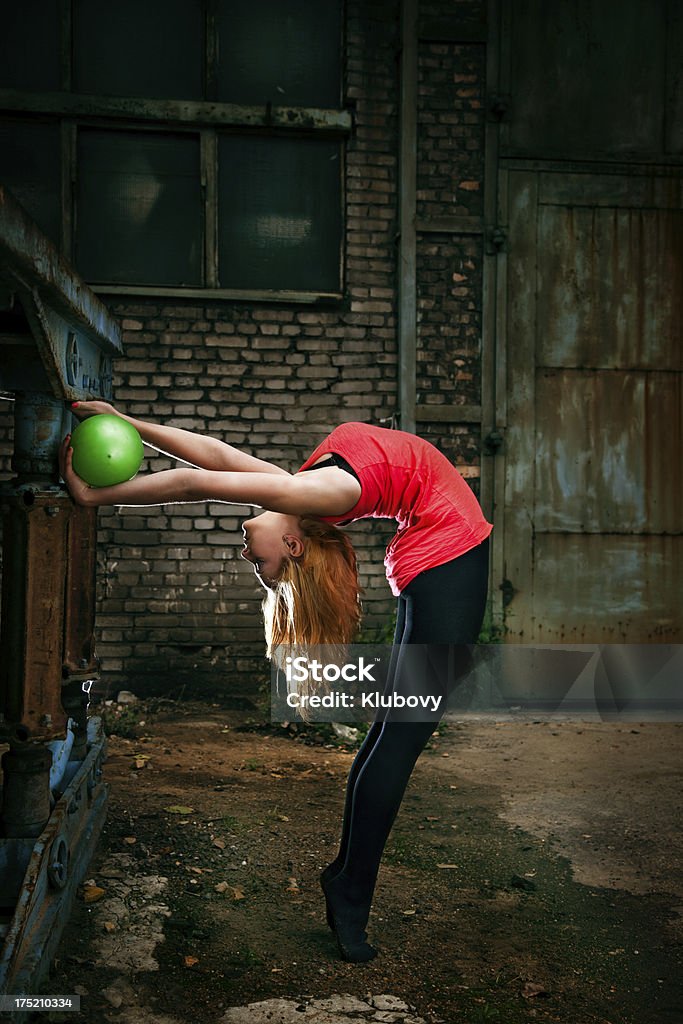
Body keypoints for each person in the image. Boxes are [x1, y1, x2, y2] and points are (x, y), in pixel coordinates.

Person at [60, 402, 492, 963]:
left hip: (445, 548)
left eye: (254, 565)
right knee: (399, 733)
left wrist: (113, 461)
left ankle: (347, 881)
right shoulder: (307, 495)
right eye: (261, 566)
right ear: (293, 545)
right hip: (446, 548)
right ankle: (350, 888)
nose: (247, 555)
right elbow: (206, 468)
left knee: (398, 730)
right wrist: (116, 454)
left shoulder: (307, 493)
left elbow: (205, 469)